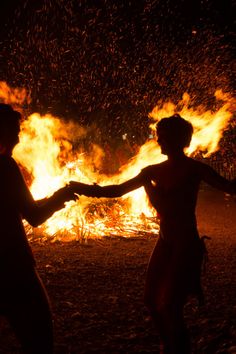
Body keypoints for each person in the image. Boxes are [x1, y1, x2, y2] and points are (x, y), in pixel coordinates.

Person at [69, 114, 236, 354]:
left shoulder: (195, 169)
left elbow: (229, 187)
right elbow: (117, 190)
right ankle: (168, 345)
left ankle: (177, 349)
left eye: (164, 138)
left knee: (171, 306)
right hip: (165, 240)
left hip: (185, 244)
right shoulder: (152, 171)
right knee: (150, 301)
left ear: (181, 140)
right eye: (160, 137)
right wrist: (82, 188)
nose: (159, 142)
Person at [0, 104, 76, 354]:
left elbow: (19, 209)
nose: (18, 137)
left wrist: (55, 197)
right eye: (13, 131)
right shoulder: (5, 167)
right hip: (13, 265)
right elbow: (33, 216)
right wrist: (61, 198)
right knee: (39, 339)